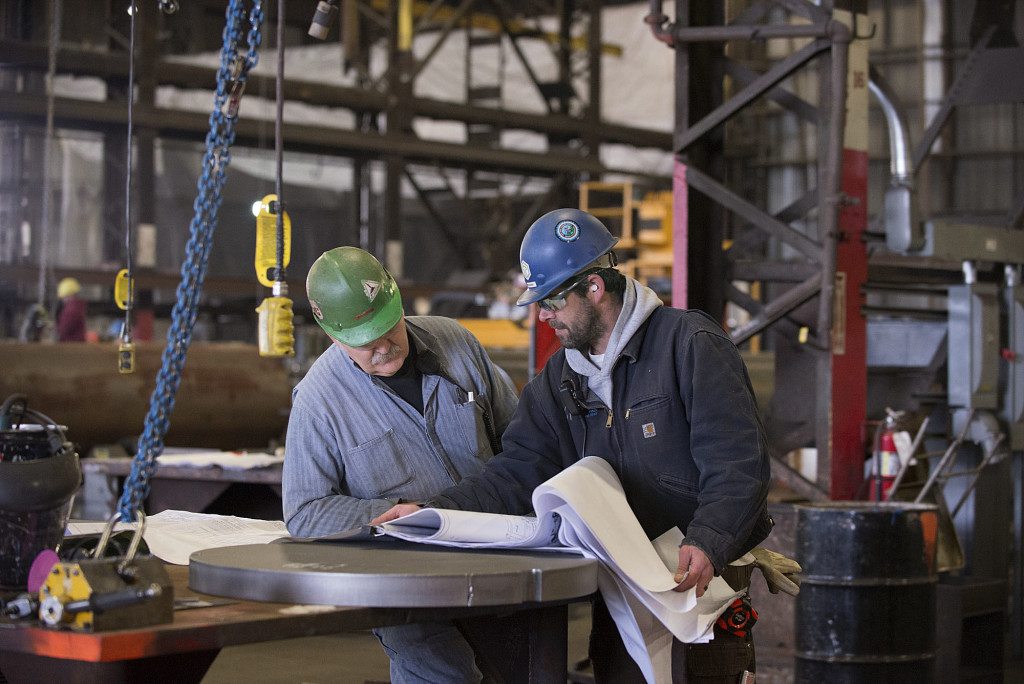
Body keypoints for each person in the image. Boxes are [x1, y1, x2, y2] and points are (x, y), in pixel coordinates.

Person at [374, 208, 774, 682]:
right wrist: (434, 512)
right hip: (627, 581)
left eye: (552, 302)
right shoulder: (559, 380)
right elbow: (518, 469)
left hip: (703, 577)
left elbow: (738, 461)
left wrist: (709, 539)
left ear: (594, 288)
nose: (542, 316)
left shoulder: (688, 345)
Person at [282, 246, 520, 684]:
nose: (383, 345)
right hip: (404, 578)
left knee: (523, 672)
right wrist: (393, 512)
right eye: (363, 340)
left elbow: (519, 441)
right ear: (333, 336)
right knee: (444, 676)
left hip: (495, 557)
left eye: (387, 326)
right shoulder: (318, 400)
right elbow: (303, 510)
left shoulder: (457, 343)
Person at [55, 277, 86, 342]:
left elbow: (63, 330)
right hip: (76, 345)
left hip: (70, 346)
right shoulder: (77, 306)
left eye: (63, 297)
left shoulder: (71, 309)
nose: (63, 300)